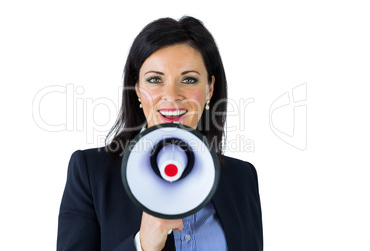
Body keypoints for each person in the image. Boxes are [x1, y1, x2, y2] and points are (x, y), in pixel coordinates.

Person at [57, 16, 263, 251]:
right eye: (155, 79)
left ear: (210, 89)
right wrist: (141, 246)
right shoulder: (91, 172)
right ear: (136, 89)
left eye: (188, 79)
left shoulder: (242, 177)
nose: (172, 95)